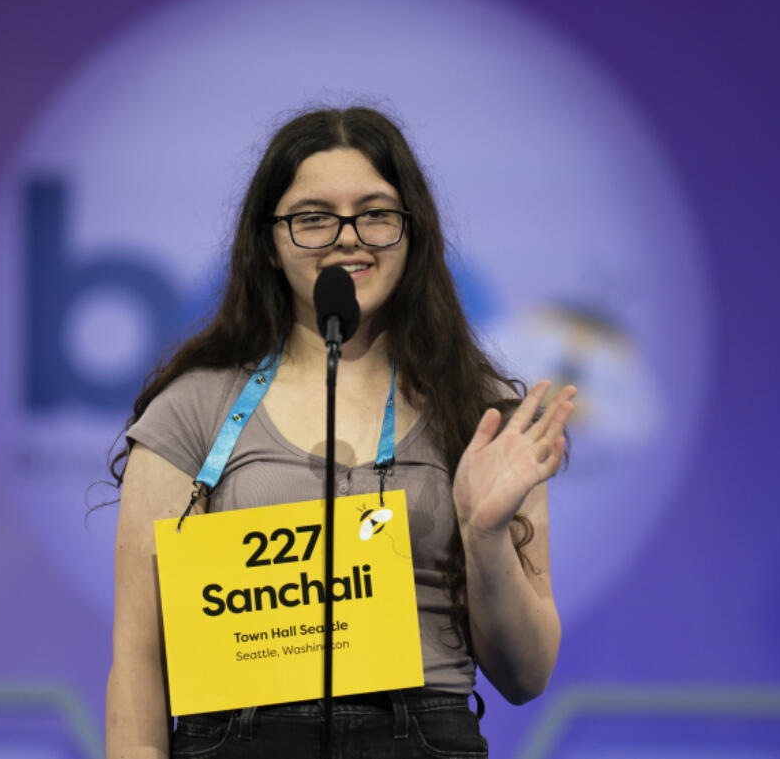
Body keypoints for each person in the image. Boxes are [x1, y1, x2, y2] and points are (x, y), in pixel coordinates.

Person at [105, 107, 575, 758]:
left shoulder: (482, 418)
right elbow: (137, 658)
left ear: (412, 234)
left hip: (420, 736)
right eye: (313, 217)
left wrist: (486, 534)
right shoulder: (194, 409)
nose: (347, 237)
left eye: (376, 212)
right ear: (270, 242)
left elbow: (526, 676)